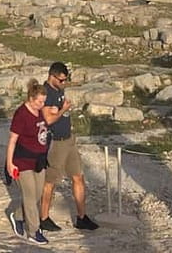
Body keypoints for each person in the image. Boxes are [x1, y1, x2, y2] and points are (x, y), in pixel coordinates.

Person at [39, 62, 99, 231]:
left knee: (78, 176)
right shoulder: (46, 93)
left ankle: (81, 217)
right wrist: (62, 109)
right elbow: (48, 119)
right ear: (52, 76)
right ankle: (43, 217)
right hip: (55, 142)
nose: (64, 83)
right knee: (50, 182)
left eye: (65, 80)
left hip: (68, 139)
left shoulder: (59, 89)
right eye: (61, 80)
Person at [7, 79, 51, 245]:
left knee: (36, 195)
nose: (42, 104)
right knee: (30, 196)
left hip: (38, 160)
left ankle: (18, 216)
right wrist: (10, 164)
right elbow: (12, 140)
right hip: (22, 161)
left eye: (44, 102)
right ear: (31, 99)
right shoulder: (21, 114)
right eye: (40, 101)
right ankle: (33, 231)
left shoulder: (39, 111)